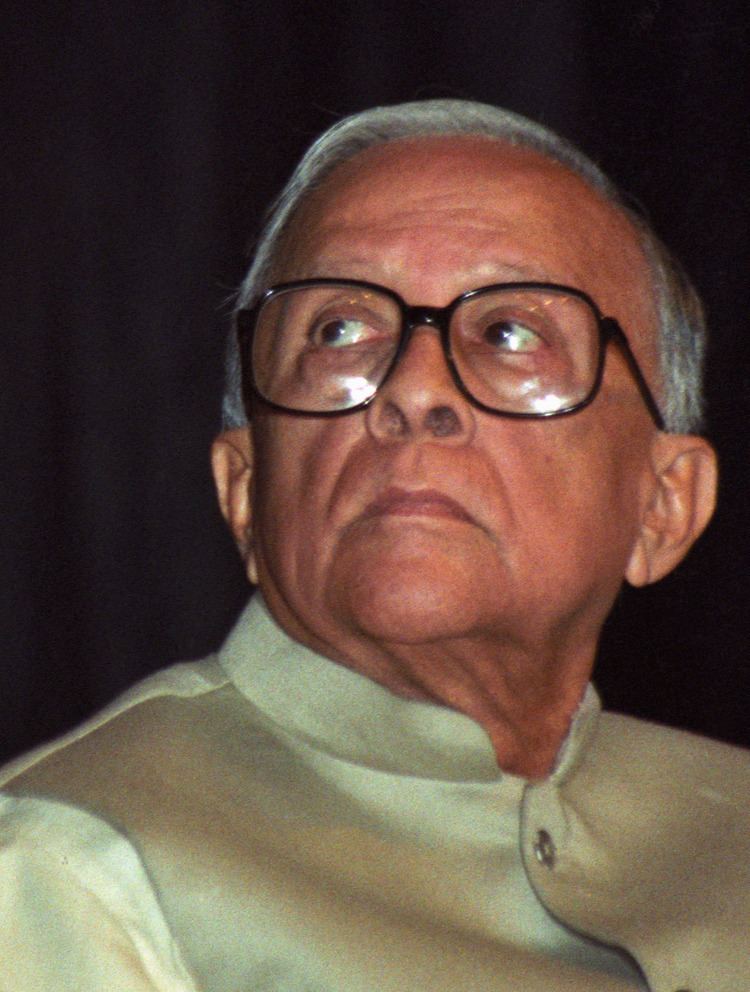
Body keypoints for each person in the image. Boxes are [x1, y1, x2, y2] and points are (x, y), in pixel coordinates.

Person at [1, 99, 747, 991]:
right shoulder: (68, 867)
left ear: (664, 506)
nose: (415, 390)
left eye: (510, 334)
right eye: (339, 331)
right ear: (246, 492)